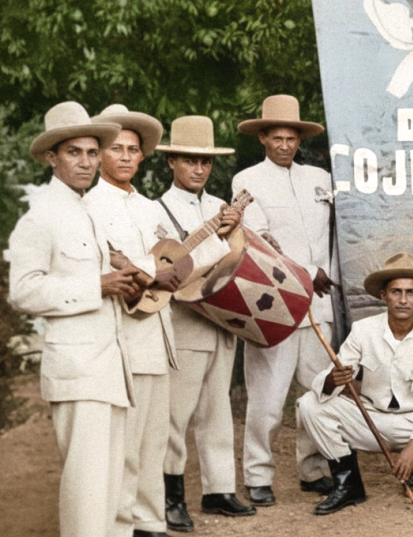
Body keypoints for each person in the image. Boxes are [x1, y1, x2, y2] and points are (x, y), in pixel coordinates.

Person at [8, 102, 135, 537]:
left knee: (110, 488)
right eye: (73, 152)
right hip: (78, 371)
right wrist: (97, 284)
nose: (85, 162)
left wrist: (123, 278)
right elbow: (24, 290)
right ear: (52, 157)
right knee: (86, 491)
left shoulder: (88, 211)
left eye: (92, 152)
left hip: (109, 368)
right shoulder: (40, 217)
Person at [295, 253, 413, 515]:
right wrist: (332, 381)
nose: (403, 300)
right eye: (396, 292)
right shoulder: (363, 330)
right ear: (383, 295)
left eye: (410, 292)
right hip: (370, 418)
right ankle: (348, 484)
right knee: (309, 404)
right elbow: (332, 374)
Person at [232, 94, 338, 505]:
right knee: (269, 396)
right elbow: (259, 243)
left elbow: (336, 235)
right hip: (273, 303)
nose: (284, 145)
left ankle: (314, 468)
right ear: (262, 137)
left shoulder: (320, 179)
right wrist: (309, 272)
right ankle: (258, 473)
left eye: (291, 138)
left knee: (318, 392)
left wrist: (325, 275)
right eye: (276, 138)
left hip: (320, 305)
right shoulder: (247, 180)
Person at [85, 104, 182, 537]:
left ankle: (149, 520)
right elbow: (107, 268)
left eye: (133, 149)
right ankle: (120, 526)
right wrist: (147, 271)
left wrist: (153, 270)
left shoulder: (149, 207)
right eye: (117, 148)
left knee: (153, 440)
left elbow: (175, 262)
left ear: (142, 156)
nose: (125, 157)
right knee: (124, 443)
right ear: (101, 153)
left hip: (159, 335)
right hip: (123, 336)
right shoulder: (89, 206)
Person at [155, 116, 254, 531]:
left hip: (222, 317)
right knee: (175, 413)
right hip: (184, 320)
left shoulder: (219, 206)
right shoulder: (157, 210)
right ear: (171, 162)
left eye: (206, 162)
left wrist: (236, 230)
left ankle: (219, 490)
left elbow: (238, 260)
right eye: (190, 160)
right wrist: (216, 241)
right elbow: (173, 272)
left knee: (217, 410)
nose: (199, 169)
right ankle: (170, 496)